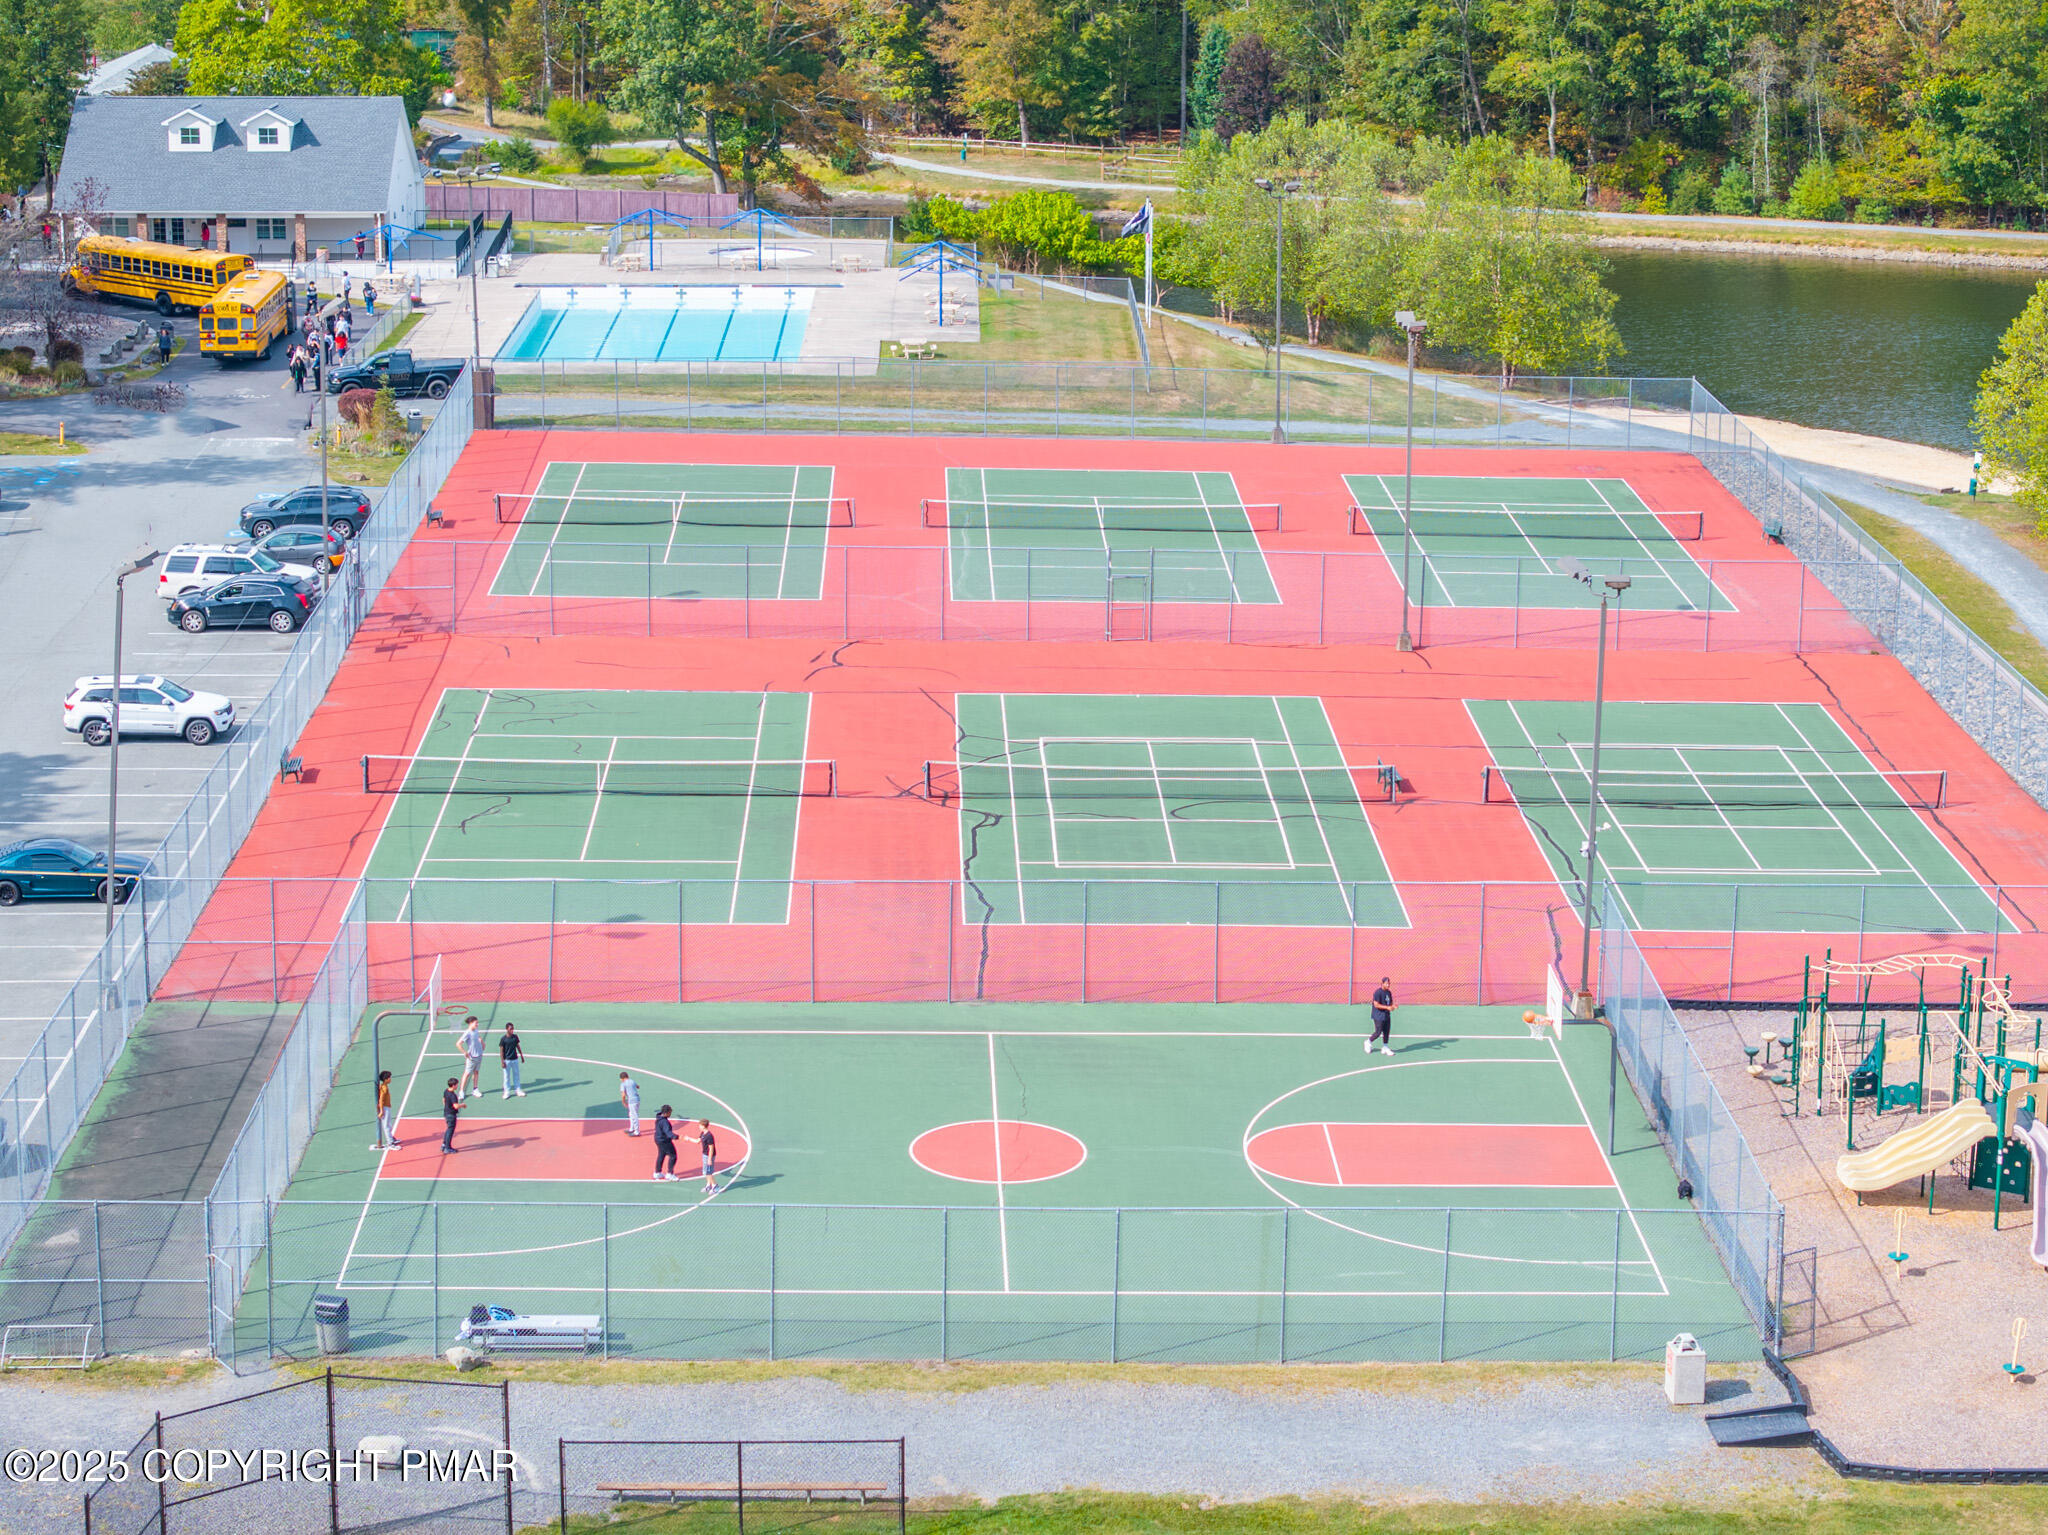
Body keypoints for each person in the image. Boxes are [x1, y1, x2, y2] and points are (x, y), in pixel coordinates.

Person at [1367, 975, 1396, 1056]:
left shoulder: (1389, 992)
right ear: (1382, 983)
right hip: (1378, 1015)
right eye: (1386, 983)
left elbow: (1390, 1003)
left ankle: (1385, 1047)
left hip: (1386, 1015)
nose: (1388, 985)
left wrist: (1393, 1007)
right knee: (1378, 1032)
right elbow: (1376, 1005)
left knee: (1386, 1031)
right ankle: (1368, 1042)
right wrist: (1387, 1007)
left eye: (1389, 983)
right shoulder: (1378, 992)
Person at [458, 1015, 485, 1097]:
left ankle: (475, 1089)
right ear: (471, 1023)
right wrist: (464, 1052)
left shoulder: (476, 1030)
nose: (477, 1024)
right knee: (467, 1073)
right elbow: (458, 1044)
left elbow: (478, 1037)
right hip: (472, 1058)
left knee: (476, 1072)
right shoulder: (467, 1033)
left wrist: (482, 1043)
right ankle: (461, 1091)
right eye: (476, 1023)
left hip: (479, 1056)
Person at [373, 1069, 399, 1150]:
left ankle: (391, 1139)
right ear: (386, 1079)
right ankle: (390, 1143)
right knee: (386, 1126)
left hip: (387, 1107)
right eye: (389, 1078)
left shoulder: (385, 1086)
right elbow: (381, 1100)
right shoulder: (384, 1088)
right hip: (385, 1108)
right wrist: (381, 1111)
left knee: (389, 1125)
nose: (390, 1079)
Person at [692, 1118, 720, 1192]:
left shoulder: (709, 1136)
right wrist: (687, 1138)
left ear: (704, 1126)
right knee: (705, 1171)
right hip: (704, 1155)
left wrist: (710, 1159)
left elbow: (711, 1148)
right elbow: (697, 1141)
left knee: (709, 1172)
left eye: (700, 1125)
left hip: (709, 1156)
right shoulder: (702, 1133)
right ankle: (708, 1185)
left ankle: (715, 1186)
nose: (699, 1127)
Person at [499, 1021, 525, 1097]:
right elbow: (501, 1051)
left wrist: (522, 1056)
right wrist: (502, 1061)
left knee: (516, 1075)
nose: (512, 1030)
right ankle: (506, 1092)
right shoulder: (503, 1039)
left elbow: (518, 1046)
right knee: (506, 1077)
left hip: (515, 1059)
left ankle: (518, 1090)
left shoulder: (515, 1037)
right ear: (507, 1029)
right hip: (507, 1060)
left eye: (513, 1029)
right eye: (510, 1029)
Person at [652, 1105, 678, 1180]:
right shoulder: (665, 1122)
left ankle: (657, 1172)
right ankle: (670, 1173)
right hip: (664, 1141)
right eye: (670, 1112)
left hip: (658, 1139)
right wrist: (676, 1137)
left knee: (661, 1155)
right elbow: (668, 1133)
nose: (670, 1113)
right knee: (673, 1156)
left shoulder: (659, 1118)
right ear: (666, 1113)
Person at [440, 1077, 464, 1152]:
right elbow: (456, 1106)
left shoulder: (446, 1091)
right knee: (450, 1131)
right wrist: (462, 1105)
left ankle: (444, 1144)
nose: (457, 1086)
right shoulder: (453, 1095)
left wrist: (447, 1107)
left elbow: (443, 1100)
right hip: (451, 1115)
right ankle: (447, 1148)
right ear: (453, 1085)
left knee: (448, 1129)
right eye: (456, 1085)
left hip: (446, 1113)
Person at [619, 1071, 641, 1136]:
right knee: (631, 1114)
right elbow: (638, 1086)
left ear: (622, 1078)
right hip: (637, 1099)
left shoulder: (623, 1084)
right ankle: (632, 1128)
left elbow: (623, 1095)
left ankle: (637, 1132)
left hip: (632, 1101)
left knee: (634, 1115)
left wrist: (623, 1102)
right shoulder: (632, 1081)